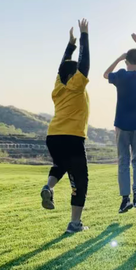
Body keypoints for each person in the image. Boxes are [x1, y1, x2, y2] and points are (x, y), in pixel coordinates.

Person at [40, 18, 90, 234]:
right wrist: (85, 36)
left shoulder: (58, 85)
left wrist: (71, 45)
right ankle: (75, 224)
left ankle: (48, 187)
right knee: (80, 179)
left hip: (54, 136)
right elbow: (85, 64)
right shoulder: (76, 86)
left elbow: (63, 65)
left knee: (61, 165)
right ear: (73, 75)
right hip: (72, 137)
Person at [104, 34, 136, 213]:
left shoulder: (121, 76)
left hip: (122, 125)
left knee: (123, 161)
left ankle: (125, 199)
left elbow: (105, 74)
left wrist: (119, 58)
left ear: (126, 61)